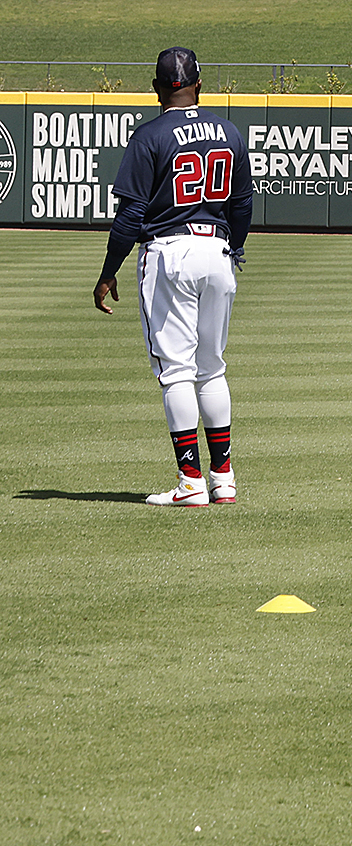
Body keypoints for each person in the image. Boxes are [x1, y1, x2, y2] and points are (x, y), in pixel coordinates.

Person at [93, 47, 253, 506]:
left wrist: (108, 272)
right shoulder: (228, 131)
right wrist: (234, 247)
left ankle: (190, 484)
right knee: (212, 368)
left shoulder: (150, 136)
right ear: (199, 84)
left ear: (157, 88)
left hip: (170, 253)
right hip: (217, 250)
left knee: (177, 373)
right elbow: (241, 205)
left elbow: (130, 217)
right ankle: (223, 479)